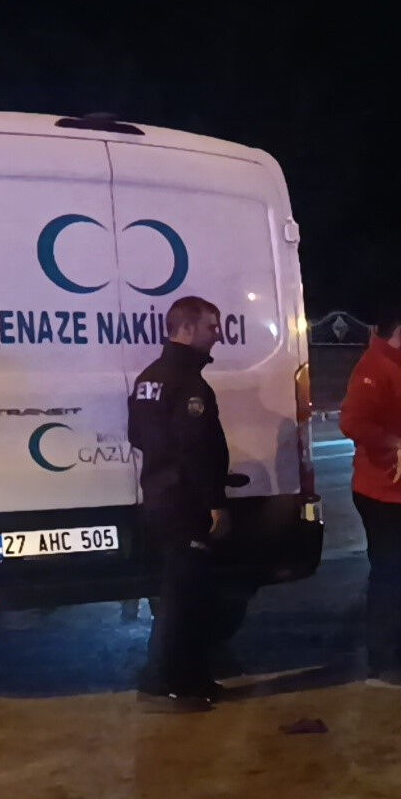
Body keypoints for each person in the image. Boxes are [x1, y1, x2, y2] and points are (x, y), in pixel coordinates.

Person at [128, 296, 233, 713]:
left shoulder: (150, 377)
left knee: (184, 593)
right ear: (186, 329)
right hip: (185, 503)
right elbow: (196, 451)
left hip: (161, 496)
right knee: (183, 598)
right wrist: (214, 503)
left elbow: (138, 435)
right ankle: (165, 684)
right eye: (212, 327)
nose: (218, 335)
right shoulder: (188, 384)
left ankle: (192, 679)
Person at [340, 313, 401, 687]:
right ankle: (383, 662)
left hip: (400, 490)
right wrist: (393, 443)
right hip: (384, 491)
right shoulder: (376, 367)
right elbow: (352, 422)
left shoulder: (394, 365)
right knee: (393, 577)